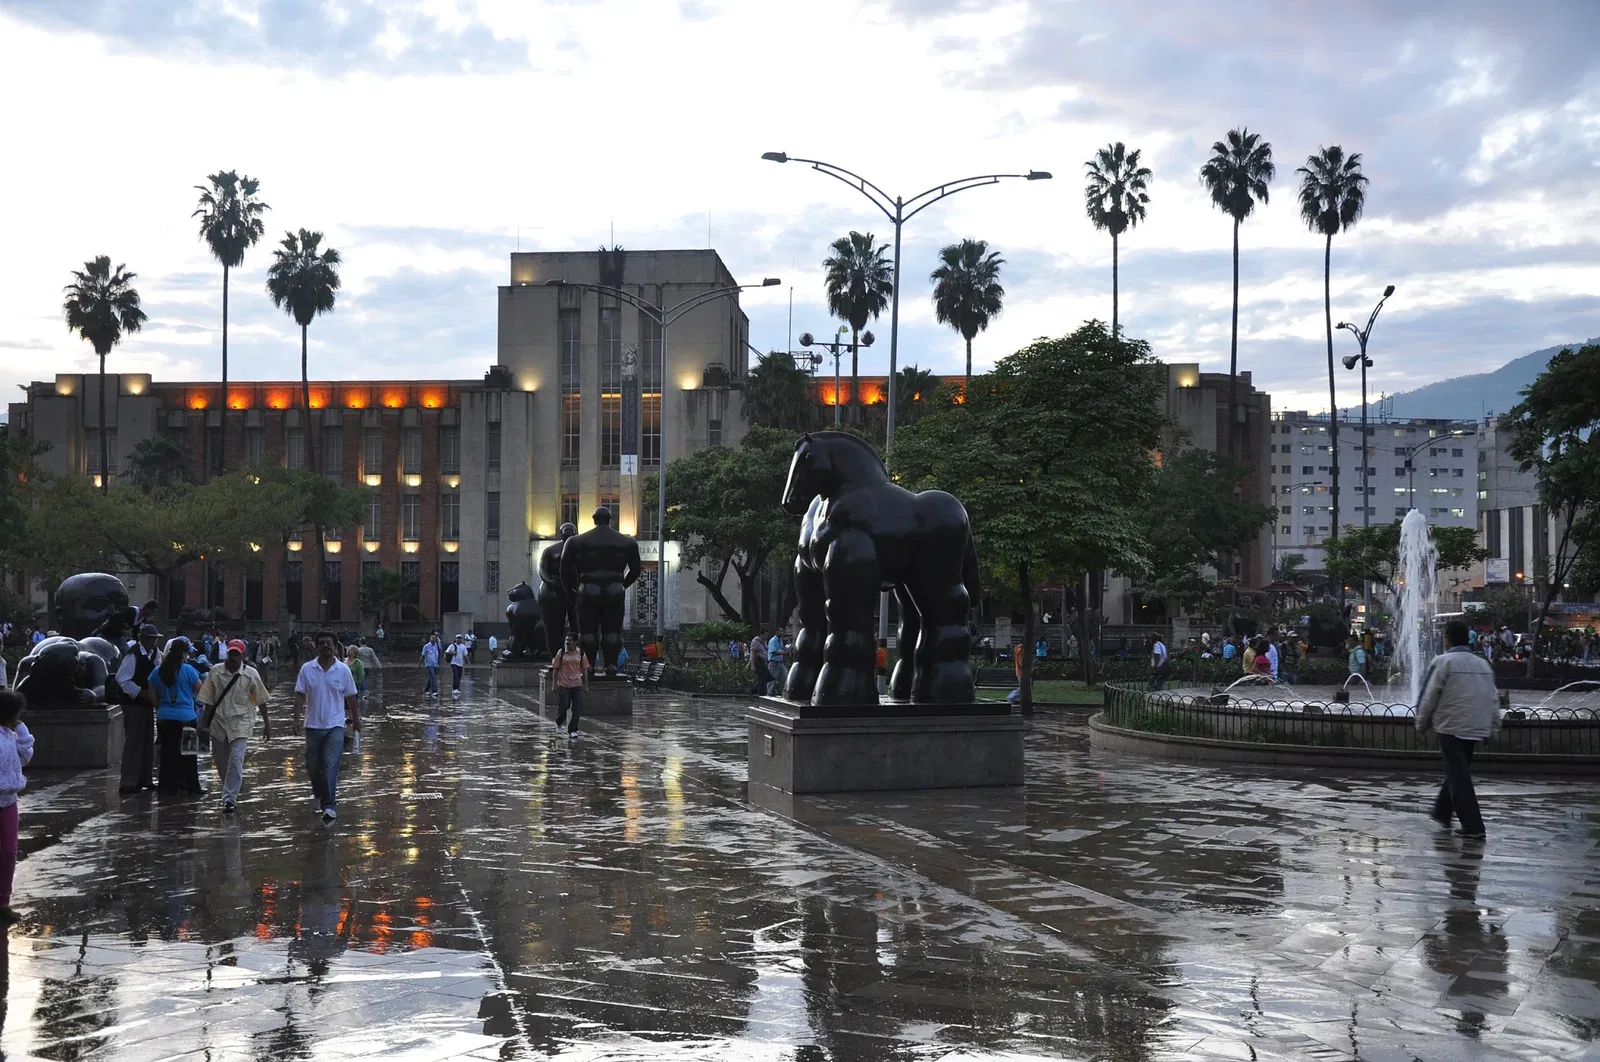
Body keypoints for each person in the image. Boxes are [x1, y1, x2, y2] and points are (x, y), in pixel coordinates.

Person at [1417, 619, 1500, 839]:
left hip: (1451, 726)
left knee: (1458, 775)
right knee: (1458, 771)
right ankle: (1442, 812)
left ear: (1447, 639)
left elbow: (1429, 694)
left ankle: (1473, 826)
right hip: (1475, 726)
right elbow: (1493, 698)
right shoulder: (1482, 664)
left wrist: (1421, 722)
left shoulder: (1443, 662)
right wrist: (1493, 727)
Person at [197, 639, 272, 814]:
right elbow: (208, 700)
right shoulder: (216, 671)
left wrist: (267, 725)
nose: (232, 657)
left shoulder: (251, 674)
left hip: (241, 722)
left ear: (243, 656)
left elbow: (261, 700)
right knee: (220, 761)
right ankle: (228, 788)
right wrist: (203, 724)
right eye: (231, 653)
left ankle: (230, 799)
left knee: (236, 759)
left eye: (236, 654)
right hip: (219, 722)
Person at [294, 630, 360, 824]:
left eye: (329, 643)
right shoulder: (307, 669)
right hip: (313, 726)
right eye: (321, 643)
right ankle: (319, 793)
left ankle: (329, 805)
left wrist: (356, 720)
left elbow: (351, 697)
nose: (325, 646)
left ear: (335, 647)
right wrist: (295, 719)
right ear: (316, 647)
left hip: (335, 726)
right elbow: (300, 695)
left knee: (330, 764)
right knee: (314, 766)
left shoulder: (343, 670)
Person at [149, 638, 204, 796]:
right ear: (184, 654)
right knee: (190, 753)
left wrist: (160, 709)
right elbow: (200, 689)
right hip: (187, 716)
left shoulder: (157, 671)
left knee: (168, 753)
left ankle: (168, 787)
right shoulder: (188, 670)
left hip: (165, 717)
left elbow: (152, 694)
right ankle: (192, 787)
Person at [114, 623, 163, 793]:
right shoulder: (133, 654)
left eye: (154, 639)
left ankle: (145, 778)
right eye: (150, 639)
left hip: (148, 703)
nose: (153, 642)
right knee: (134, 741)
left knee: (147, 740)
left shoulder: (155, 653)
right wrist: (140, 692)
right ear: (142, 638)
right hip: (133, 703)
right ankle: (128, 781)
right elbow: (122, 679)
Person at [0, 689, 34, 923]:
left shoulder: (10, 736)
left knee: (9, 853)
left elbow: (26, 754)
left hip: (9, 802)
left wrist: (21, 729)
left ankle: (3, 901)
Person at [551, 631, 590, 736]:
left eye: (569, 640)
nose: (567, 642)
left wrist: (586, 685)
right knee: (564, 706)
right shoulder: (561, 652)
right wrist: (554, 684)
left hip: (577, 684)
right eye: (566, 640)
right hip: (564, 684)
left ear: (575, 642)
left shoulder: (581, 653)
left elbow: (585, 670)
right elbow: (556, 669)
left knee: (576, 710)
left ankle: (572, 730)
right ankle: (559, 722)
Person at [748, 627, 769, 696]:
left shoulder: (764, 641)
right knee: (762, 679)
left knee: (764, 679)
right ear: (761, 634)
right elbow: (752, 653)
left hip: (763, 662)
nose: (766, 636)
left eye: (767, 634)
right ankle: (760, 693)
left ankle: (753, 691)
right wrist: (752, 665)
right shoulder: (755, 641)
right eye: (765, 634)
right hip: (758, 662)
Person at [767, 630, 787, 696]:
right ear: (777, 632)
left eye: (782, 631)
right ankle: (770, 694)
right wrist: (783, 652)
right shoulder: (773, 640)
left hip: (780, 663)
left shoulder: (780, 641)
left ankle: (784, 693)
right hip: (774, 662)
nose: (782, 632)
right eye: (780, 631)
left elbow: (782, 650)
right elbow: (774, 651)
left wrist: (786, 650)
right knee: (772, 679)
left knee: (785, 677)